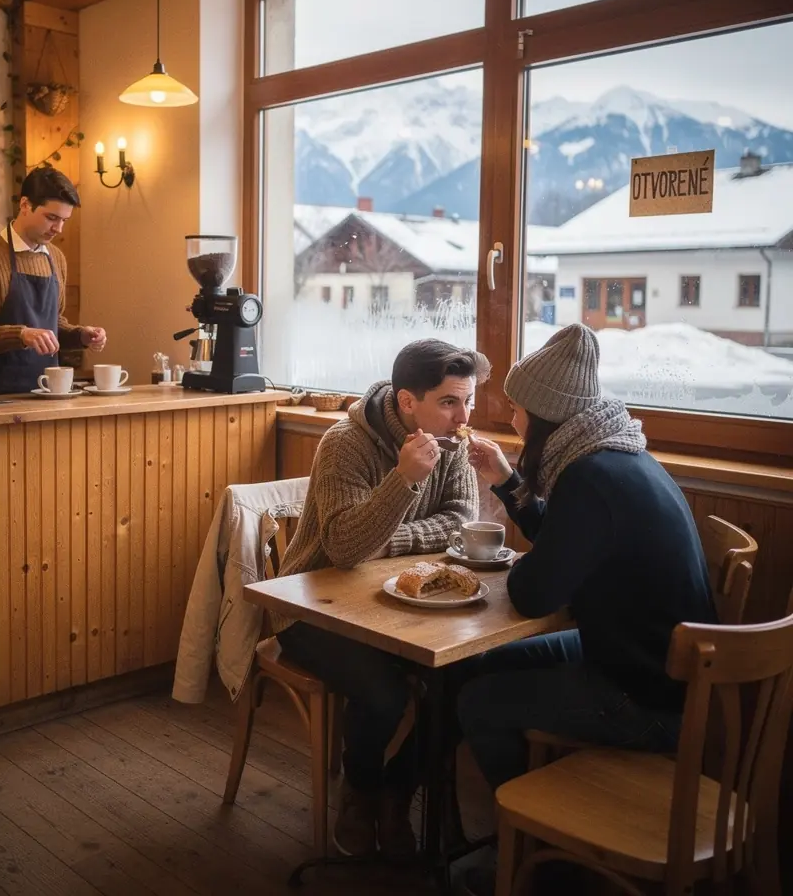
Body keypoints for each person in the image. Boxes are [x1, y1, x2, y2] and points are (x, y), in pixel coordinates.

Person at [453, 322, 716, 824]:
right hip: (653, 665)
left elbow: (533, 595)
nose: (511, 418)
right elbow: (565, 541)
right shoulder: (616, 455)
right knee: (483, 663)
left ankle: (529, 834)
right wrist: (508, 480)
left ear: (544, 416)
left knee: (478, 701)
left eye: (516, 408)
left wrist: (519, 562)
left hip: (645, 698)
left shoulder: (589, 478)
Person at [272, 339, 489, 860]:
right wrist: (404, 479)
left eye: (468, 401)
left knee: (468, 681)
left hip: (402, 604)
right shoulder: (346, 443)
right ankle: (361, 792)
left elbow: (462, 521)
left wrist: (389, 539)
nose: (463, 417)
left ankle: (399, 789)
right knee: (384, 694)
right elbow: (345, 548)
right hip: (309, 604)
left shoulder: (453, 442)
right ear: (408, 401)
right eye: (450, 402)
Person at [0, 168, 107, 395]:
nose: (58, 229)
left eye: (64, 220)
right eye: (51, 218)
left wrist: (80, 335)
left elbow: (53, 322)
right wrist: (20, 335)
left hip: (50, 394)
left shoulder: (56, 258)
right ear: (25, 205)